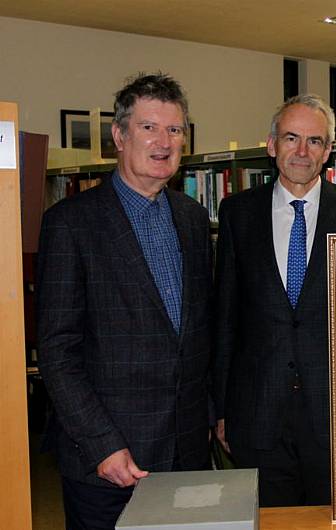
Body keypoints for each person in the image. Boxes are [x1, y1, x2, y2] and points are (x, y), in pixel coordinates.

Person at [37, 73, 212, 529]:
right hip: (111, 461)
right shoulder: (70, 224)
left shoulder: (193, 219)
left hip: (185, 453)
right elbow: (57, 352)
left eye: (175, 130)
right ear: (118, 135)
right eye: (149, 127)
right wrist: (102, 444)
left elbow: (198, 334)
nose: (164, 142)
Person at [212, 94, 336, 507]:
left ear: (328, 151)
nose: (302, 151)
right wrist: (221, 410)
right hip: (257, 414)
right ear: (271, 144)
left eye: (314, 141)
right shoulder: (237, 213)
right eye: (291, 138)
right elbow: (225, 316)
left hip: (334, 417)